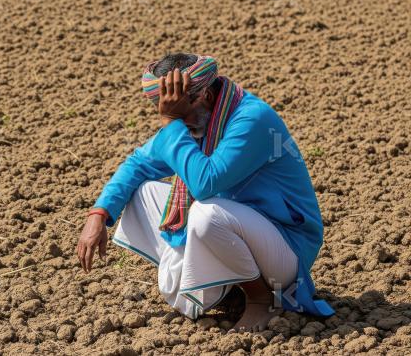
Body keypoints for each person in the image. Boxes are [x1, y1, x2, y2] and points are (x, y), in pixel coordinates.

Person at [76, 53, 334, 332]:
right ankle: (227, 286)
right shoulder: (198, 122)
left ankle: (261, 298)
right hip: (242, 231)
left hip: (286, 247)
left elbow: (206, 183)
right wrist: (98, 214)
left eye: (177, 109)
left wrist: (172, 123)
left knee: (206, 213)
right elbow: (138, 164)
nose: (173, 118)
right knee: (144, 192)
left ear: (206, 97)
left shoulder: (251, 120)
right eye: (164, 107)